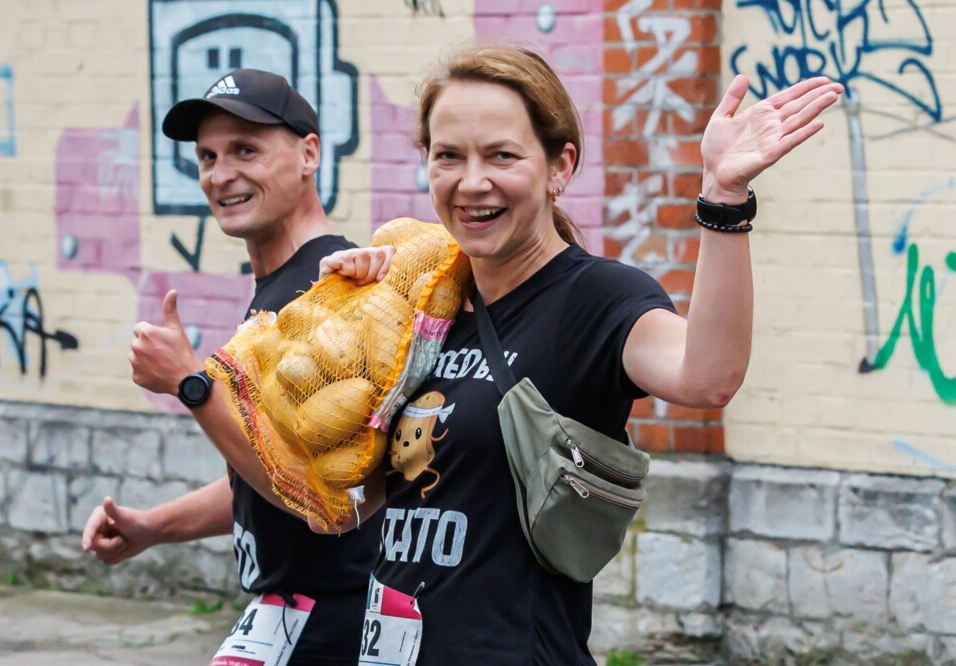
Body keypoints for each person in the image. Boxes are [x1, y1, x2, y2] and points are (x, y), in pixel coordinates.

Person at [318, 46, 844, 663]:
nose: (472, 182)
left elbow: (707, 378)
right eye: (448, 156)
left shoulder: (594, 299)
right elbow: (342, 507)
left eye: (502, 156)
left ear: (560, 166)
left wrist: (723, 197)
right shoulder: (420, 304)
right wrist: (337, 330)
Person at [80, 68, 382, 665]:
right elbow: (265, 469)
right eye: (208, 157)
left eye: (245, 149)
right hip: (291, 611)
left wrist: (191, 385)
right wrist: (152, 526)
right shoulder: (281, 288)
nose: (220, 175)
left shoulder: (333, 291)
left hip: (332, 618)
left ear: (309, 154)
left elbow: (321, 496)